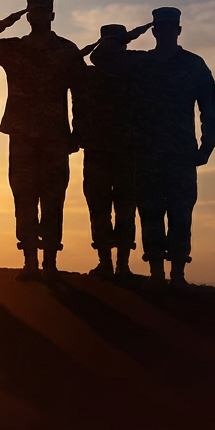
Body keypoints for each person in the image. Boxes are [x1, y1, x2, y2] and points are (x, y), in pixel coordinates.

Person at [92, 7, 215, 290]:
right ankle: (156, 272)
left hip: (181, 152)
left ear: (178, 30)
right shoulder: (141, 62)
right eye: (159, 28)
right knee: (150, 212)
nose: (164, 33)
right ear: (154, 31)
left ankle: (178, 274)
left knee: (180, 213)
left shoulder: (193, 65)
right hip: (145, 151)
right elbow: (100, 58)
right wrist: (127, 36)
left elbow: (209, 106)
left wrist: (207, 145)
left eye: (169, 28)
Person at [0, 0, 86, 282]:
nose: (39, 17)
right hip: (22, 135)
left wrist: (78, 133)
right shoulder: (14, 48)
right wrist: (3, 23)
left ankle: (50, 262)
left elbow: (82, 94)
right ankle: (30, 260)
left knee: (53, 198)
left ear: (52, 16)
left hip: (55, 136)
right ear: (28, 16)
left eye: (44, 12)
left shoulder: (66, 50)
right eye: (34, 12)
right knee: (24, 197)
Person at [78, 25, 138, 279]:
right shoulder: (90, 73)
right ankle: (107, 263)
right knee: (101, 207)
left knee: (123, 208)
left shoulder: (133, 71)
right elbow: (78, 61)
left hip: (124, 150)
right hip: (100, 150)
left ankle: (120, 265)